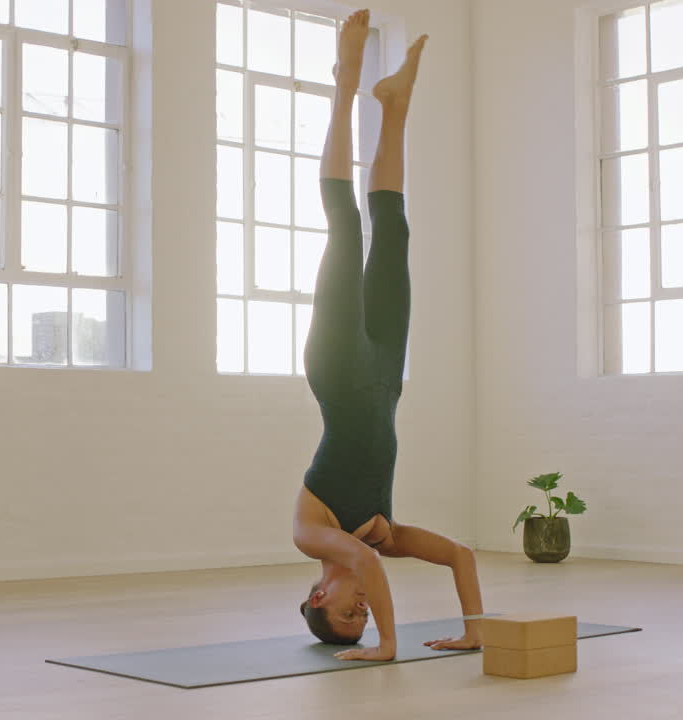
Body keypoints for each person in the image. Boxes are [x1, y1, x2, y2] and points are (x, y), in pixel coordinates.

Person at [291, 9, 486, 662]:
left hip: (338, 364)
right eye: (366, 620)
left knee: (343, 225)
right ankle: (394, 104)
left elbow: (366, 570)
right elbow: (460, 556)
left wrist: (387, 647)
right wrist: (475, 629)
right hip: (383, 366)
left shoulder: (314, 539)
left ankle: (346, 83)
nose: (363, 608)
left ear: (319, 596)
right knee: (394, 230)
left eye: (350, 612)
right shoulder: (386, 537)